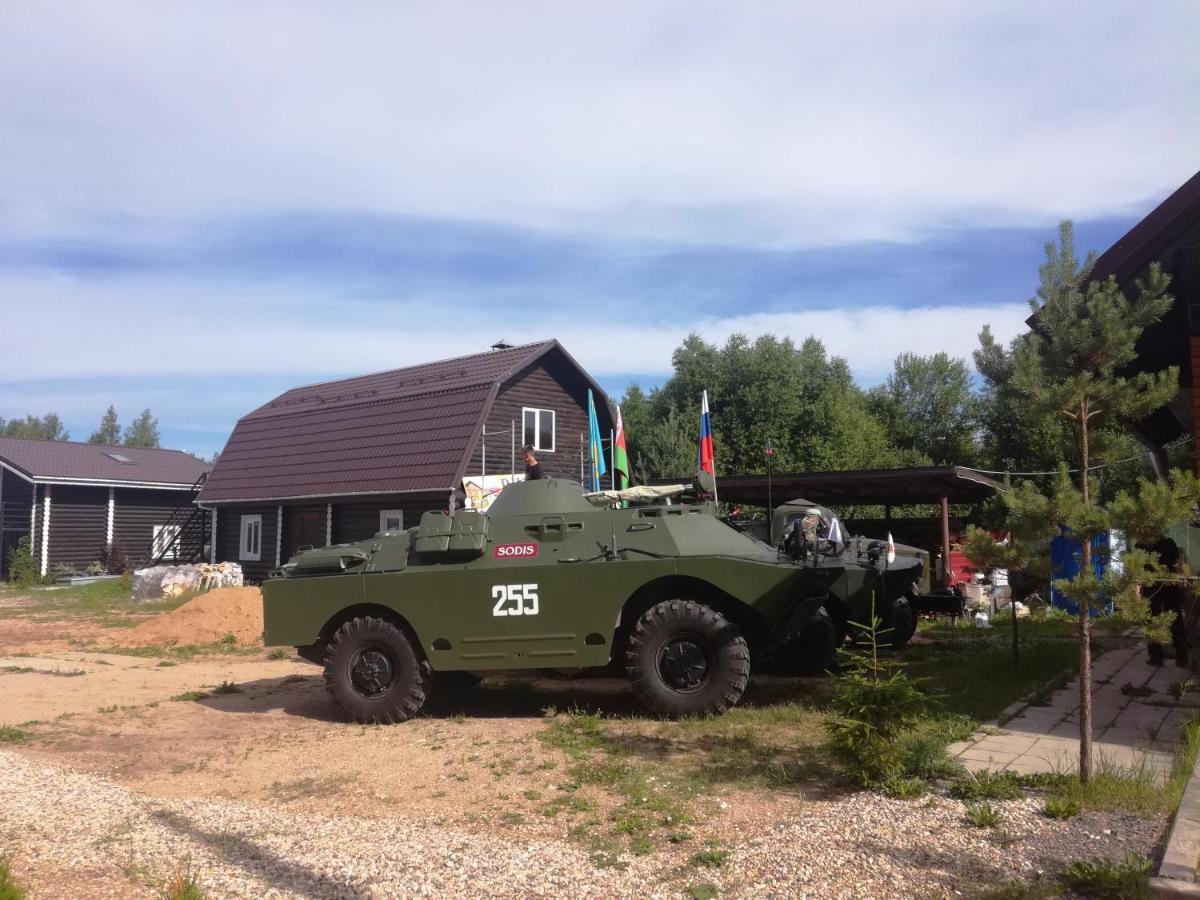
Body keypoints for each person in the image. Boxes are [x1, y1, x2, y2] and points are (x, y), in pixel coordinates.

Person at [1147, 538, 1190, 668]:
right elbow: (1176, 562)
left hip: (1153, 585)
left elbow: (1141, 565)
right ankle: (1181, 656)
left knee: (1152, 620)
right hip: (1168, 584)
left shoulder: (1144, 544)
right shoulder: (1169, 542)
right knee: (1174, 619)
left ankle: (1156, 656)